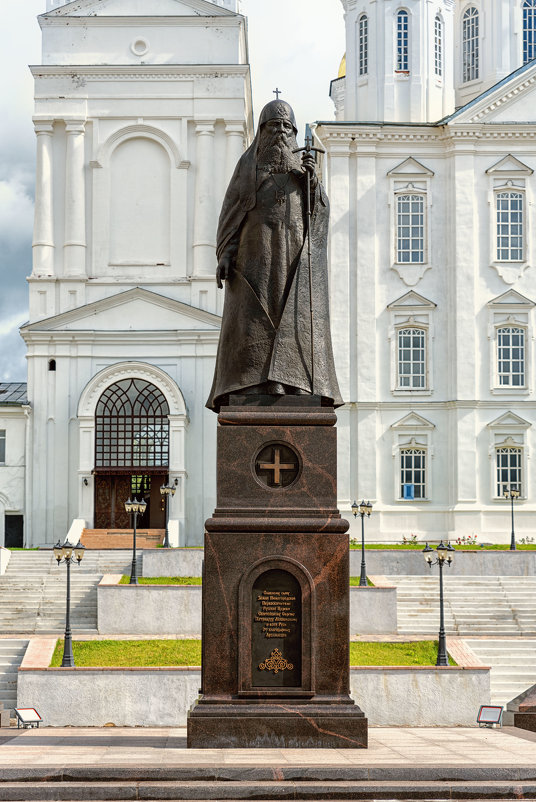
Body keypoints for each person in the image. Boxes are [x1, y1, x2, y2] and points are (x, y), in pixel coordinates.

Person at [206, 99, 342, 412]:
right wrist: (225, 252)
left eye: (286, 126)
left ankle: (293, 382)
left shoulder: (303, 171)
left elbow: (319, 213)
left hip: (294, 257)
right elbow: (231, 211)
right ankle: (253, 383)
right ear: (262, 130)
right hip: (254, 258)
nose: (279, 131)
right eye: (273, 125)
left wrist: (312, 182)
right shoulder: (248, 165)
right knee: (253, 321)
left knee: (293, 316)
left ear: (293, 132)